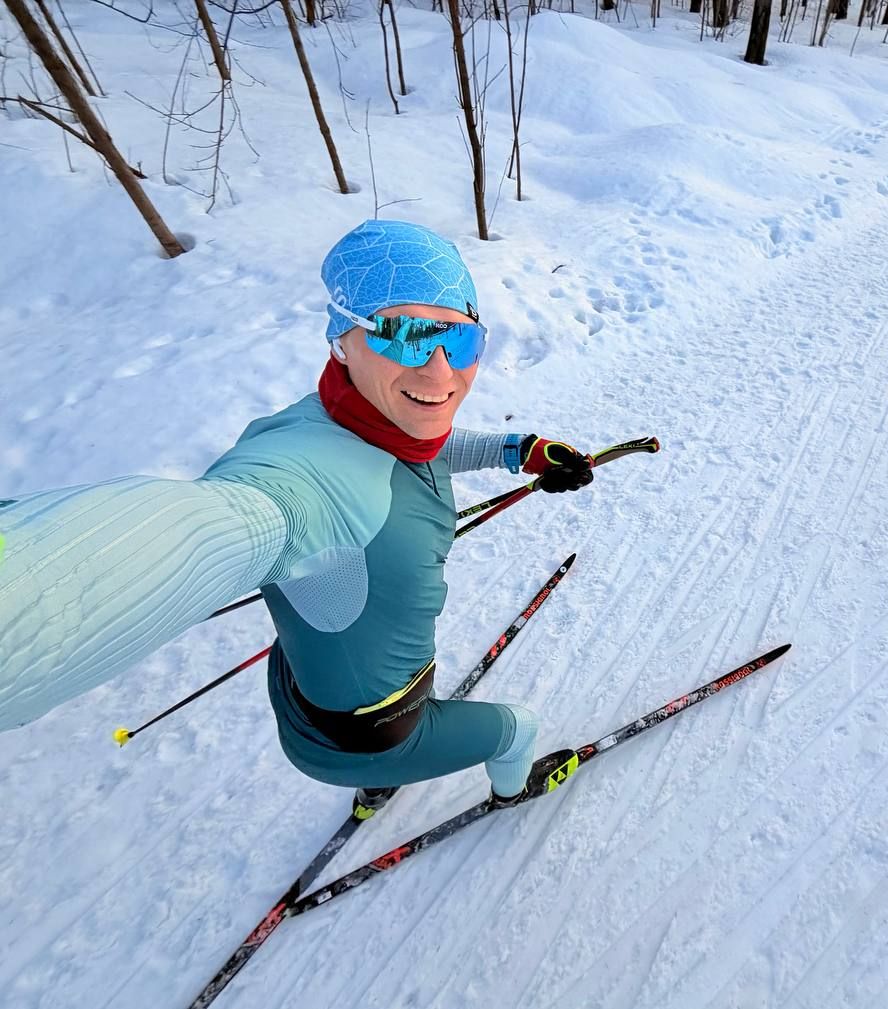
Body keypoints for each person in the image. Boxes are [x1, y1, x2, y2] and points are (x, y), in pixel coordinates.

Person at [0, 219, 593, 815]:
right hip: (371, 741)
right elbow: (205, 528)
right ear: (341, 340)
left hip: (301, 690)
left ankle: (379, 790)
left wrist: (518, 450)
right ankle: (512, 790)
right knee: (517, 724)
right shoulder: (298, 481)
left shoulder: (347, 412)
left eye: (461, 341)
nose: (440, 373)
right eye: (404, 336)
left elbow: (426, 446)